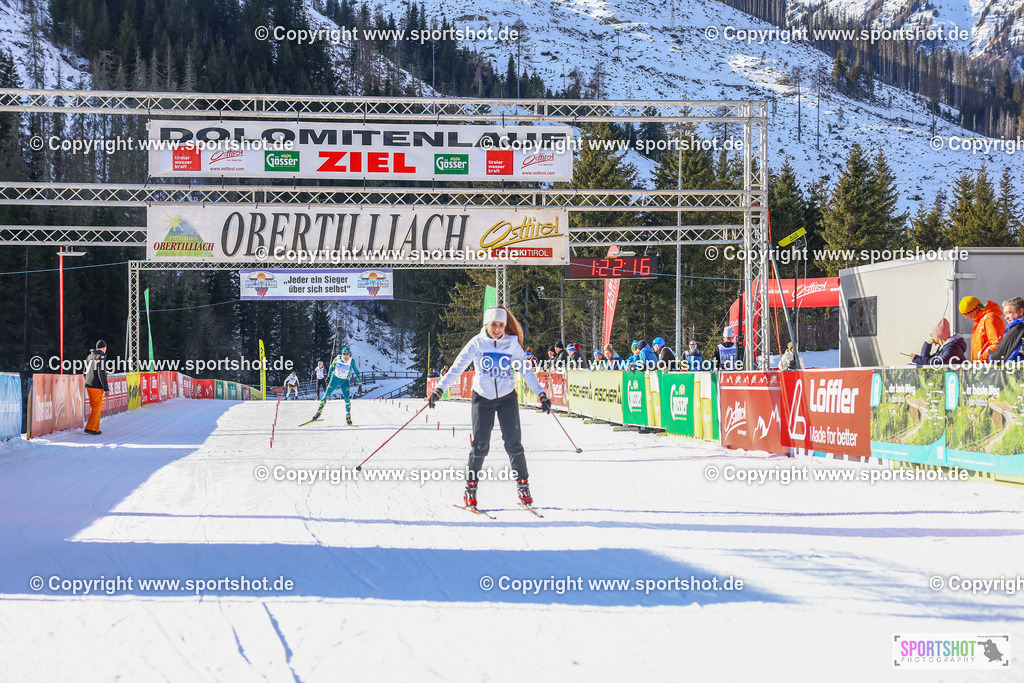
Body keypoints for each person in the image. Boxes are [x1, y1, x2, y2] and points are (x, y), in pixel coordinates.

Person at [428, 306, 551, 510]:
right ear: (487, 324)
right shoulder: (477, 342)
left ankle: (523, 486)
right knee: (480, 445)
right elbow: (458, 366)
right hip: (482, 398)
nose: (497, 328)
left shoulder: (511, 343)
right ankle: (471, 488)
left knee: (513, 444)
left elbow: (526, 371)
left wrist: (541, 394)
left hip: (506, 398)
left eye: (501, 325)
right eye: (493, 324)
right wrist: (440, 389)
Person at [311, 347, 363, 424]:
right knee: (326, 396)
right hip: (334, 379)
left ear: (349, 355)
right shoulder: (337, 359)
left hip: (345, 382)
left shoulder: (351, 361)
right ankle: (318, 412)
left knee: (347, 399)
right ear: (341, 354)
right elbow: (332, 367)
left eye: (347, 355)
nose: (346, 356)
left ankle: (348, 417)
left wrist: (360, 384)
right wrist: (328, 377)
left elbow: (357, 372)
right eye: (344, 354)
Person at [959, 296, 1005, 361]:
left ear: (973, 312)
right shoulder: (980, 322)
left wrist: (981, 357)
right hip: (982, 367)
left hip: (989, 367)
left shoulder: (990, 319)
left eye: (966, 314)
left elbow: (997, 344)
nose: (966, 317)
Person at [83, 340, 108, 435]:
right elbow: (102, 373)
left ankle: (90, 427)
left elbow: (85, 371)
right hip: (97, 386)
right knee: (97, 408)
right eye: (105, 348)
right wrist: (106, 388)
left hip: (89, 385)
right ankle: (93, 428)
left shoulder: (89, 356)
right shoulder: (100, 357)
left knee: (94, 407)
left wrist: (87, 381)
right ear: (103, 348)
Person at [991, 297, 1024, 362]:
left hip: (1016, 368)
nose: (1006, 317)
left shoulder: (1017, 328)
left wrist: (990, 356)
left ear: (1021, 312)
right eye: (1005, 314)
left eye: (1009, 312)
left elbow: (997, 357)